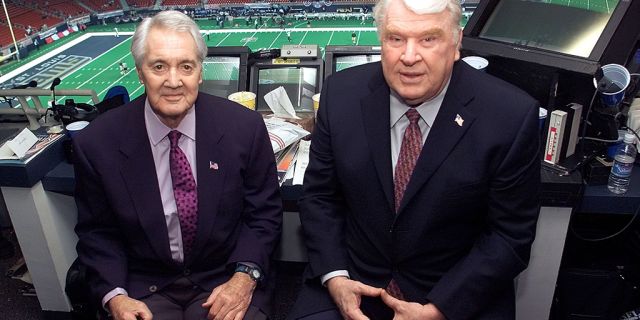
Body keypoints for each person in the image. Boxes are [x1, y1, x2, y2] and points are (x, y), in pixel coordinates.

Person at [288, 0, 541, 319]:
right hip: (353, 283)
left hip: (454, 294)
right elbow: (319, 198)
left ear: (456, 42)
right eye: (396, 39)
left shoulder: (510, 115)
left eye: (428, 39)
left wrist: (439, 310)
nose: (409, 57)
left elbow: (510, 235)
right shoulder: (340, 94)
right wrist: (336, 278)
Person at [73, 11, 282, 320]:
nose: (173, 81)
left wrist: (243, 278)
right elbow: (98, 234)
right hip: (142, 284)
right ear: (140, 73)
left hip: (223, 276)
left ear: (200, 72)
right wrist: (115, 297)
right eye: (159, 66)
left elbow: (263, 214)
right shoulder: (96, 143)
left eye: (186, 66)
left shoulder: (244, 127)